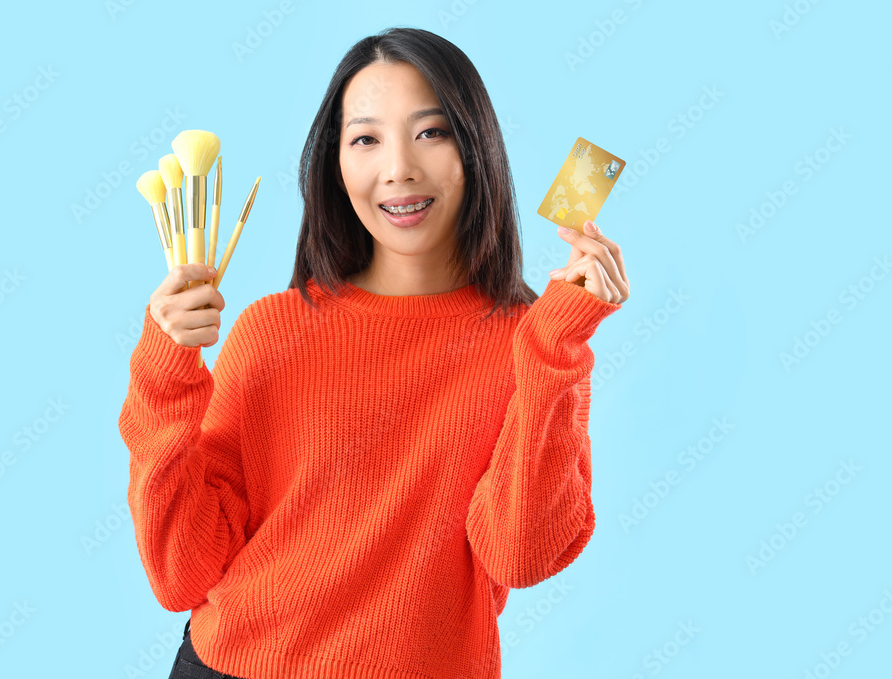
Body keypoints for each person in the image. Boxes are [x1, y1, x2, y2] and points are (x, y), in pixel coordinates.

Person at [120, 26, 629, 679]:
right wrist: (163, 373)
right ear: (336, 163)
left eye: (432, 132)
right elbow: (178, 574)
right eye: (365, 138)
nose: (399, 169)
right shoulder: (271, 330)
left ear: (476, 149)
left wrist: (559, 340)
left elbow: (521, 554)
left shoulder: (531, 342)